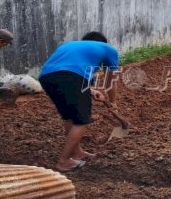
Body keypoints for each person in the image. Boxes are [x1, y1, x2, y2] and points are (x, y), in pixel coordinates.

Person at [39, 31, 119, 172]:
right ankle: (63, 161)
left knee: (70, 116)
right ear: (103, 43)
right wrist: (113, 103)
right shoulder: (109, 49)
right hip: (73, 78)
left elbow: (65, 72)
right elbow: (110, 80)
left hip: (46, 77)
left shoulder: (71, 46)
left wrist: (92, 91)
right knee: (82, 121)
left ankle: (77, 152)